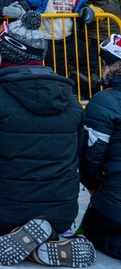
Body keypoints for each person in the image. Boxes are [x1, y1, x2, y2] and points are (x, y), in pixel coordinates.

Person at [0, 11, 95, 267]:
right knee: (42, 218)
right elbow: (78, 152)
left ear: (11, 54)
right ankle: (51, 238)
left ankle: (28, 245)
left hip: (6, 206)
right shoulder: (71, 100)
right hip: (62, 210)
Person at [79, 34, 121, 260]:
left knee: (91, 229)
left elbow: (90, 157)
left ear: (112, 67)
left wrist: (94, 188)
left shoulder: (104, 101)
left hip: (114, 203)